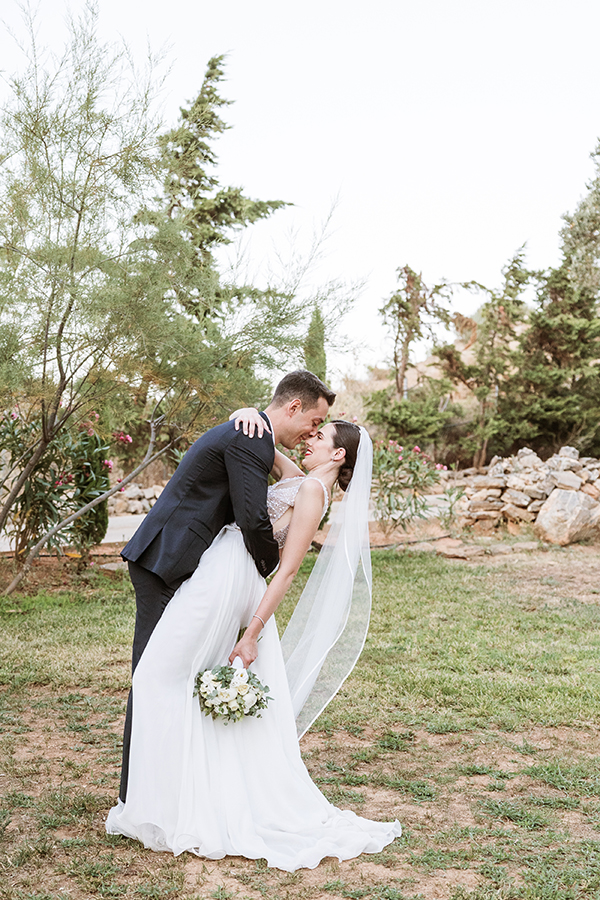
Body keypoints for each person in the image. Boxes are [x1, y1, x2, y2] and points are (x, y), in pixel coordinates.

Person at [106, 409, 402, 871]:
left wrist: (252, 634)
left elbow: (285, 571)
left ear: (338, 453)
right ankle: (172, 792)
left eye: (319, 435)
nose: (310, 437)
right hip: (218, 569)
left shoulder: (312, 493)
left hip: (229, 580)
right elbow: (270, 451)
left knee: (157, 675)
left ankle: (168, 803)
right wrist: (247, 412)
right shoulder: (304, 478)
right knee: (175, 676)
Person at [116, 371, 335, 803]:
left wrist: (252, 415)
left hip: (182, 564)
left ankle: (166, 785)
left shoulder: (254, 434)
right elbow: (252, 518)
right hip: (166, 561)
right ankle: (137, 795)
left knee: (174, 671)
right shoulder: (250, 435)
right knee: (156, 674)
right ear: (293, 408)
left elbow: (275, 480)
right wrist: (266, 566)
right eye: (313, 422)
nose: (313, 432)